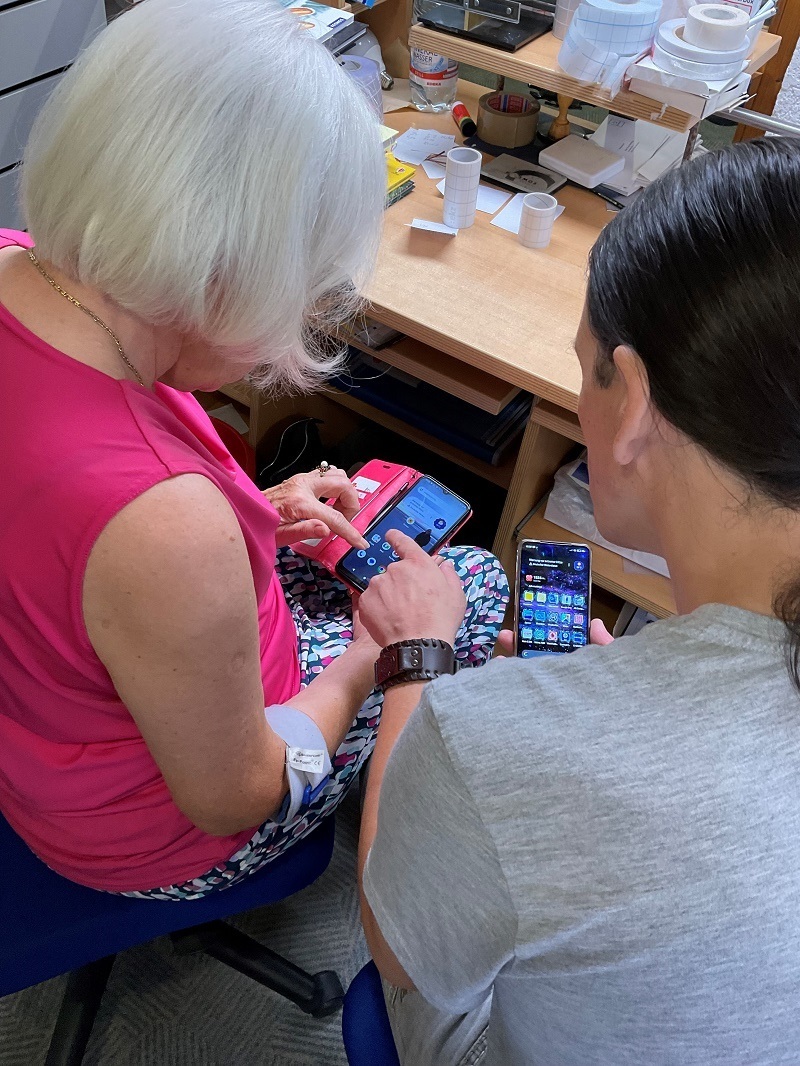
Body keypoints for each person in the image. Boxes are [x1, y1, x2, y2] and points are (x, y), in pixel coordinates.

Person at [0, 0, 509, 899]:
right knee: (470, 584)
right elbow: (232, 794)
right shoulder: (162, 525)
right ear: (227, 270)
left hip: (50, 715)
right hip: (149, 832)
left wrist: (255, 522)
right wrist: (377, 657)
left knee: (382, 561)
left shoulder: (17, 262)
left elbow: (61, 550)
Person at [357, 136, 800, 1065]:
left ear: (632, 400)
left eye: (582, 362)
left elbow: (400, 952)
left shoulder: (486, 741)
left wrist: (416, 663)